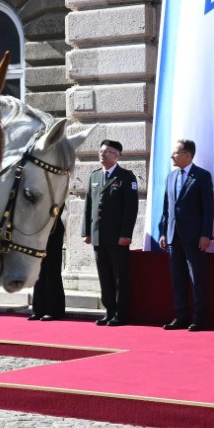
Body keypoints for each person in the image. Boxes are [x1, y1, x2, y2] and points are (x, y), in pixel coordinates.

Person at [156, 138, 214, 331]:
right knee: (177, 277)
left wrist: (206, 234)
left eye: (176, 152)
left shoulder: (202, 176)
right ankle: (181, 315)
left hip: (194, 237)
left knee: (196, 277)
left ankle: (199, 317)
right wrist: (163, 231)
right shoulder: (171, 176)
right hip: (173, 236)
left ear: (187, 155)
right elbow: (167, 207)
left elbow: (208, 208)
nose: (172, 156)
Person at [82, 139, 138, 326]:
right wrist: (87, 231)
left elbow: (131, 209)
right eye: (101, 151)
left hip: (118, 237)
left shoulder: (126, 177)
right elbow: (88, 206)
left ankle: (121, 313)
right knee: (104, 275)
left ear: (117, 155)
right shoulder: (95, 176)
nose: (102, 154)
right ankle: (109, 310)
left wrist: (126, 234)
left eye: (107, 152)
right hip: (98, 236)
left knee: (119, 276)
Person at [27, 215, 67, 321]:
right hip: (38, 230)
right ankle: (38, 309)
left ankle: (54, 310)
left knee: (52, 271)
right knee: (38, 271)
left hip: (52, 229)